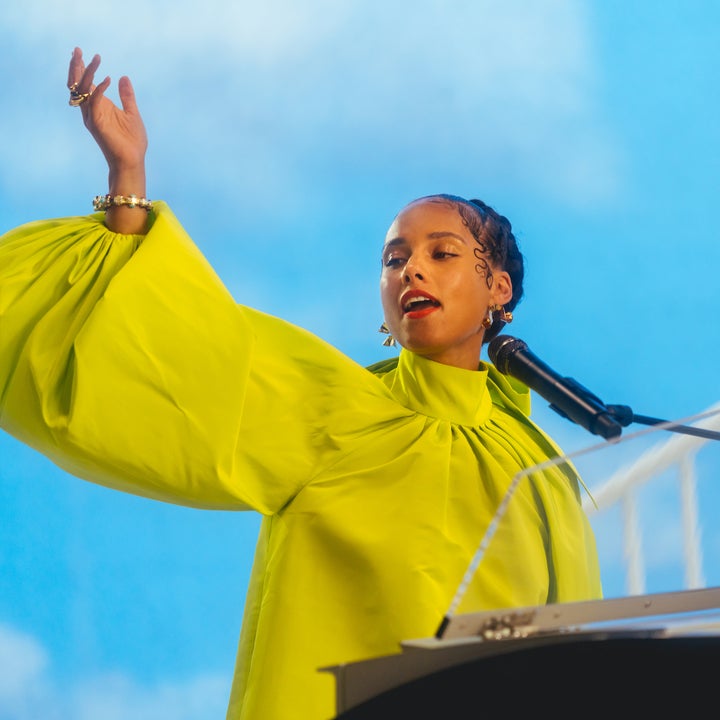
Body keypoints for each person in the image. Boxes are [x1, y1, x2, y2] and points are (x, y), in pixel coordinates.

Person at [0, 48, 602, 720]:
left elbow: (574, 648)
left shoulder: (537, 468)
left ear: (499, 289)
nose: (411, 271)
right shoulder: (336, 411)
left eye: (442, 253)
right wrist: (128, 178)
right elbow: (176, 353)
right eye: (394, 259)